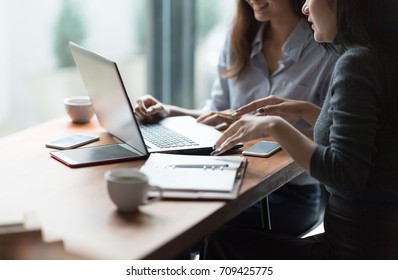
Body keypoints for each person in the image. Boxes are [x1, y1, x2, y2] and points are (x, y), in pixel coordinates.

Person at [206, 0, 398, 259]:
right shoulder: (378, 55)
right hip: (374, 242)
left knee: (217, 241)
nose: (305, 7)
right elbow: (369, 143)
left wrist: (274, 126)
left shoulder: (356, 63)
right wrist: (307, 111)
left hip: (350, 252)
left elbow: (345, 175)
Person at [135, 0, 338, 236]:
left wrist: (273, 129)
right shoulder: (239, 35)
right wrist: (170, 111)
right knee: (163, 211)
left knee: (186, 225)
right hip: (227, 176)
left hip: (290, 193)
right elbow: (220, 113)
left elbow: (334, 137)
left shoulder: (325, 43)